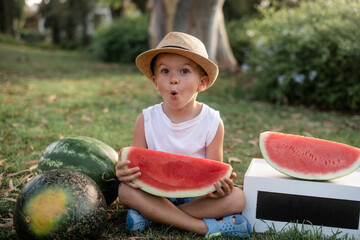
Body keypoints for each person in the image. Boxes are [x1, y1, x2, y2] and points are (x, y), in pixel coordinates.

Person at [115, 31, 251, 238]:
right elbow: (138, 169)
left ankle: (153, 216)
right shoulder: (146, 119)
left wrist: (221, 188)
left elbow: (213, 174)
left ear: (202, 83)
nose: (174, 80)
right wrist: (126, 173)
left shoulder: (213, 121)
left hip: (196, 198)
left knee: (237, 198)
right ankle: (204, 228)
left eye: (184, 71)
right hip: (155, 194)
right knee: (125, 191)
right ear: (155, 81)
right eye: (165, 71)